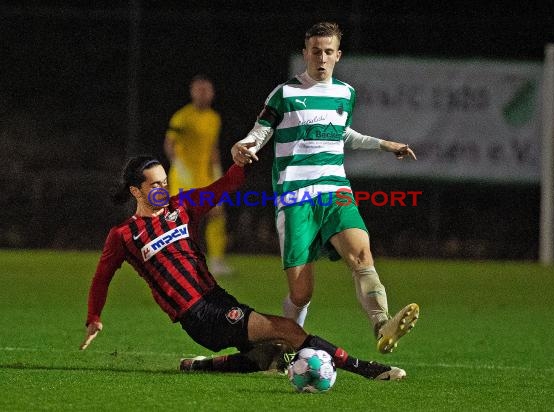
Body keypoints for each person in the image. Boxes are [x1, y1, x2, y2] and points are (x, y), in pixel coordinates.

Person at [79, 155, 407, 381]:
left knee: (272, 355)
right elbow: (101, 278)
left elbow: (222, 187)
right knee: (289, 331)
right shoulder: (124, 235)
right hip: (197, 314)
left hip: (216, 300)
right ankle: (368, 369)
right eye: (154, 185)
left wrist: (241, 162)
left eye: (165, 180)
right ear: (136, 191)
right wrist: (94, 318)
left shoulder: (180, 207)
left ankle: (201, 366)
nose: (163, 188)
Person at [231, 21, 419, 354]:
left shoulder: (345, 94)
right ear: (305, 53)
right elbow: (260, 131)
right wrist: (244, 147)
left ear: (338, 55)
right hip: (295, 198)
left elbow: (343, 133)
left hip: (335, 191)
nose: (321, 58)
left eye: (328, 52)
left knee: (362, 255)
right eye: (315, 51)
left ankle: (382, 323)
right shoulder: (285, 93)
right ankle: (287, 343)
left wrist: (385, 144)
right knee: (302, 293)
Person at [164, 74, 232, 276]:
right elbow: (169, 144)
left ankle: (217, 262)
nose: (203, 94)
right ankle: (175, 261)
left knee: (217, 214)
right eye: (199, 90)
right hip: (183, 177)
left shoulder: (214, 118)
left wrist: (218, 172)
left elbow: (213, 148)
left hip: (205, 176)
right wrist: (179, 166)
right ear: (192, 92)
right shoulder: (182, 117)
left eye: (207, 90)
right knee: (180, 219)